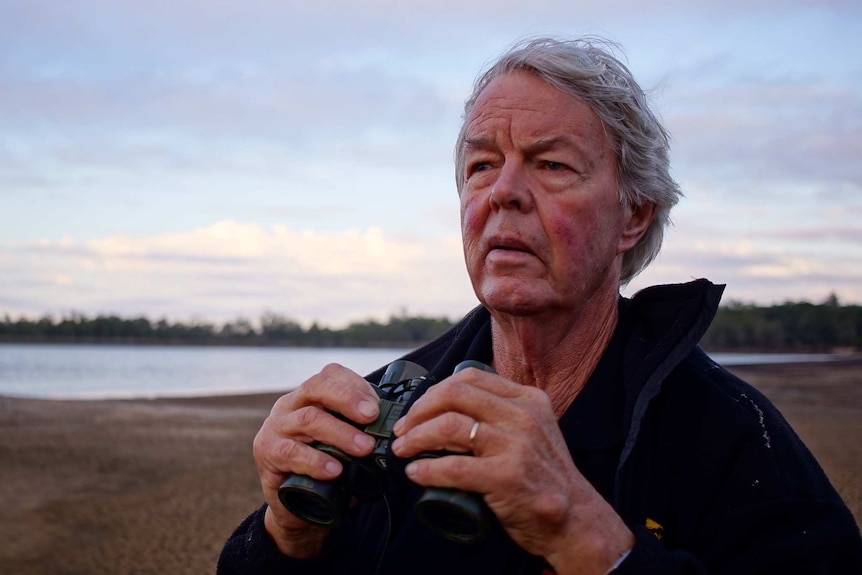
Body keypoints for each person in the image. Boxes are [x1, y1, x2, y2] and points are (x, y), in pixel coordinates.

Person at [218, 37, 862, 574]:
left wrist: (585, 535)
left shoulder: (729, 438)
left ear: (632, 216)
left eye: (551, 164)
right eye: (481, 166)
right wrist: (285, 537)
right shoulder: (383, 410)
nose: (503, 193)